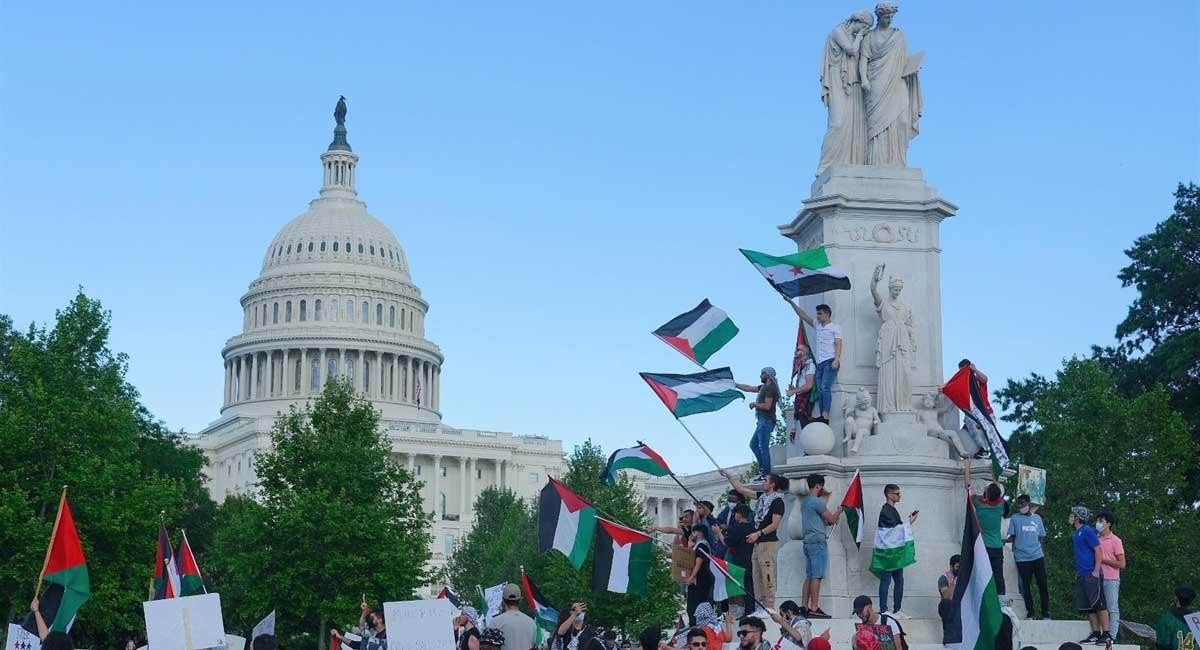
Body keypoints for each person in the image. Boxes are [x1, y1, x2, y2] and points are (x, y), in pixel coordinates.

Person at [722, 469, 787, 612]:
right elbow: (741, 489)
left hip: (767, 541)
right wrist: (729, 476)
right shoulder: (762, 497)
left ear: (772, 484)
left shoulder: (777, 501)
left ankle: (770, 605)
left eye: (766, 480)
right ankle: (760, 604)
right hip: (757, 542)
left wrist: (758, 533)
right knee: (756, 574)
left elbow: (774, 524)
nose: (763, 482)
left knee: (766, 572)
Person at [784, 300, 843, 423]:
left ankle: (825, 415)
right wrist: (791, 302)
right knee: (821, 390)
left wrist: (837, 359)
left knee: (824, 387)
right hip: (820, 363)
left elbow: (838, 343)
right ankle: (822, 414)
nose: (817, 316)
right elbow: (803, 315)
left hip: (830, 361)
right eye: (817, 314)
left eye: (820, 314)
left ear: (827, 314)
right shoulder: (817, 325)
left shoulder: (835, 327)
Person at [801, 473, 843, 618]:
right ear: (818, 486)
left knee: (809, 575)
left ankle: (804, 606)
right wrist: (838, 511)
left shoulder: (805, 502)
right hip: (818, 541)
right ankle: (814, 607)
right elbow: (831, 520)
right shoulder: (817, 502)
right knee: (817, 576)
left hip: (807, 541)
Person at [966, 460, 1008, 598]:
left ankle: (982, 598)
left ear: (987, 494)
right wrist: (992, 472)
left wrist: (967, 466)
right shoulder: (1000, 506)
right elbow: (998, 488)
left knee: (982, 574)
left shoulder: (979, 504)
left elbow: (968, 486)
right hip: (997, 546)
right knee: (998, 575)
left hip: (983, 546)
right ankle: (1002, 600)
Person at [875, 483, 918, 618]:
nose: (899, 496)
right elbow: (892, 531)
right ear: (889, 495)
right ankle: (883, 609)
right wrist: (909, 523)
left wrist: (907, 523)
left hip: (894, 554)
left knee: (899, 580)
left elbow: (896, 530)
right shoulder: (886, 510)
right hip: (887, 553)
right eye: (897, 494)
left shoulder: (892, 510)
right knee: (886, 580)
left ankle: (897, 609)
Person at [1070, 506, 1112, 646]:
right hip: (1082, 573)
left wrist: (1096, 570)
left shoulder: (1087, 531)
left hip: (1092, 573)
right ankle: (1095, 633)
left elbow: (1098, 551)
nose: (1071, 516)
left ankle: (1107, 634)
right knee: (1090, 607)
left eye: (1073, 514)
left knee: (1100, 604)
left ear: (1078, 517)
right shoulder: (1076, 533)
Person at [735, 367, 782, 478]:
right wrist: (735, 384)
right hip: (762, 421)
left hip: (766, 421)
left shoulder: (770, 388)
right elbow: (748, 388)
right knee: (754, 444)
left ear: (767, 375)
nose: (760, 376)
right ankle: (763, 469)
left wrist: (755, 405)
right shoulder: (763, 387)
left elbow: (767, 406)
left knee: (763, 447)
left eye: (762, 374)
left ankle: (766, 473)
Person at [1006, 495, 1048, 619]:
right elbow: (1013, 536)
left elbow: (1042, 535)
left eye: (1022, 504)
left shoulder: (1037, 519)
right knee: (1026, 586)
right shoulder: (1015, 518)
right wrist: (1004, 541)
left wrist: (1039, 548)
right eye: (1018, 504)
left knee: (1042, 584)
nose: (1020, 506)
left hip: (1037, 556)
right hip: (1022, 558)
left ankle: (1045, 612)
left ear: (1028, 504)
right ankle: (1030, 612)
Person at [1095, 511, 1125, 639]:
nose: (1098, 524)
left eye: (1101, 521)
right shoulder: (1095, 538)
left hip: (1111, 579)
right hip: (1096, 577)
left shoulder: (1116, 540)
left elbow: (1122, 564)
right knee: (1098, 607)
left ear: (1108, 524)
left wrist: (1103, 560)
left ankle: (1112, 636)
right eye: (1097, 521)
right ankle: (1101, 633)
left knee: (1112, 608)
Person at [723, 503, 757, 614]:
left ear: (739, 514)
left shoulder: (736, 528)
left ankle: (744, 610)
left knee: (740, 587)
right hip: (751, 559)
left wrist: (719, 533)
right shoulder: (753, 527)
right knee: (750, 585)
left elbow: (727, 543)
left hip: (739, 561)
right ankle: (751, 608)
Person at [684, 524, 716, 624]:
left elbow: (699, 562)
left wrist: (692, 577)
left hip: (701, 579)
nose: (692, 534)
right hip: (694, 581)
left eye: (694, 532)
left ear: (700, 533)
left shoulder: (702, 545)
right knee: (690, 608)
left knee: (697, 606)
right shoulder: (695, 546)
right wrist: (689, 545)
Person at [492, 583, 537, 650]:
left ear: (503, 601)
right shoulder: (531, 622)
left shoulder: (495, 622)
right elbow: (533, 646)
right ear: (519, 601)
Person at [1153, 585, 1195, 650]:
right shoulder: (1197, 619)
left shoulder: (1167, 619)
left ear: (1176, 599)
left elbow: (1164, 647)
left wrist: (1154, 640)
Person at [787, 343, 817, 431]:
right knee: (802, 423)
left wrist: (793, 391)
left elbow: (808, 385)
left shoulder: (810, 366)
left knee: (806, 423)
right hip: (800, 396)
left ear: (805, 352)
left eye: (798, 350)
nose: (796, 352)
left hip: (806, 396)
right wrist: (794, 389)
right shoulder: (803, 367)